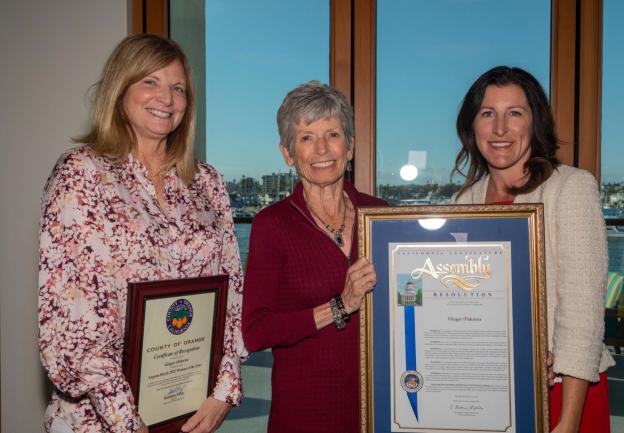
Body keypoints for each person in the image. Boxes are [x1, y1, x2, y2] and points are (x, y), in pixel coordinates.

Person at [38, 34, 246, 433]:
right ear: (121, 89)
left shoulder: (207, 183)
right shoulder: (82, 176)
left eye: (178, 87)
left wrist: (225, 390)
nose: (166, 98)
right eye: (150, 81)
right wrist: (128, 424)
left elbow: (232, 293)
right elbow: (73, 325)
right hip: (98, 421)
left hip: (189, 412)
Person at [452, 66, 615, 433]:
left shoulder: (570, 188)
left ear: (534, 121)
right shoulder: (464, 200)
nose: (499, 129)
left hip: (564, 394)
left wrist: (568, 421)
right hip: (487, 393)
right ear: (471, 126)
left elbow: (582, 314)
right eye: (487, 114)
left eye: (515, 114)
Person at [242, 81, 387, 433]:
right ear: (288, 153)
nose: (321, 148)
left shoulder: (382, 216)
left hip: (382, 405)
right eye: (306, 137)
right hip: (305, 411)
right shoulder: (271, 225)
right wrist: (339, 305)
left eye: (333, 134)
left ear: (350, 146)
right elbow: (255, 332)